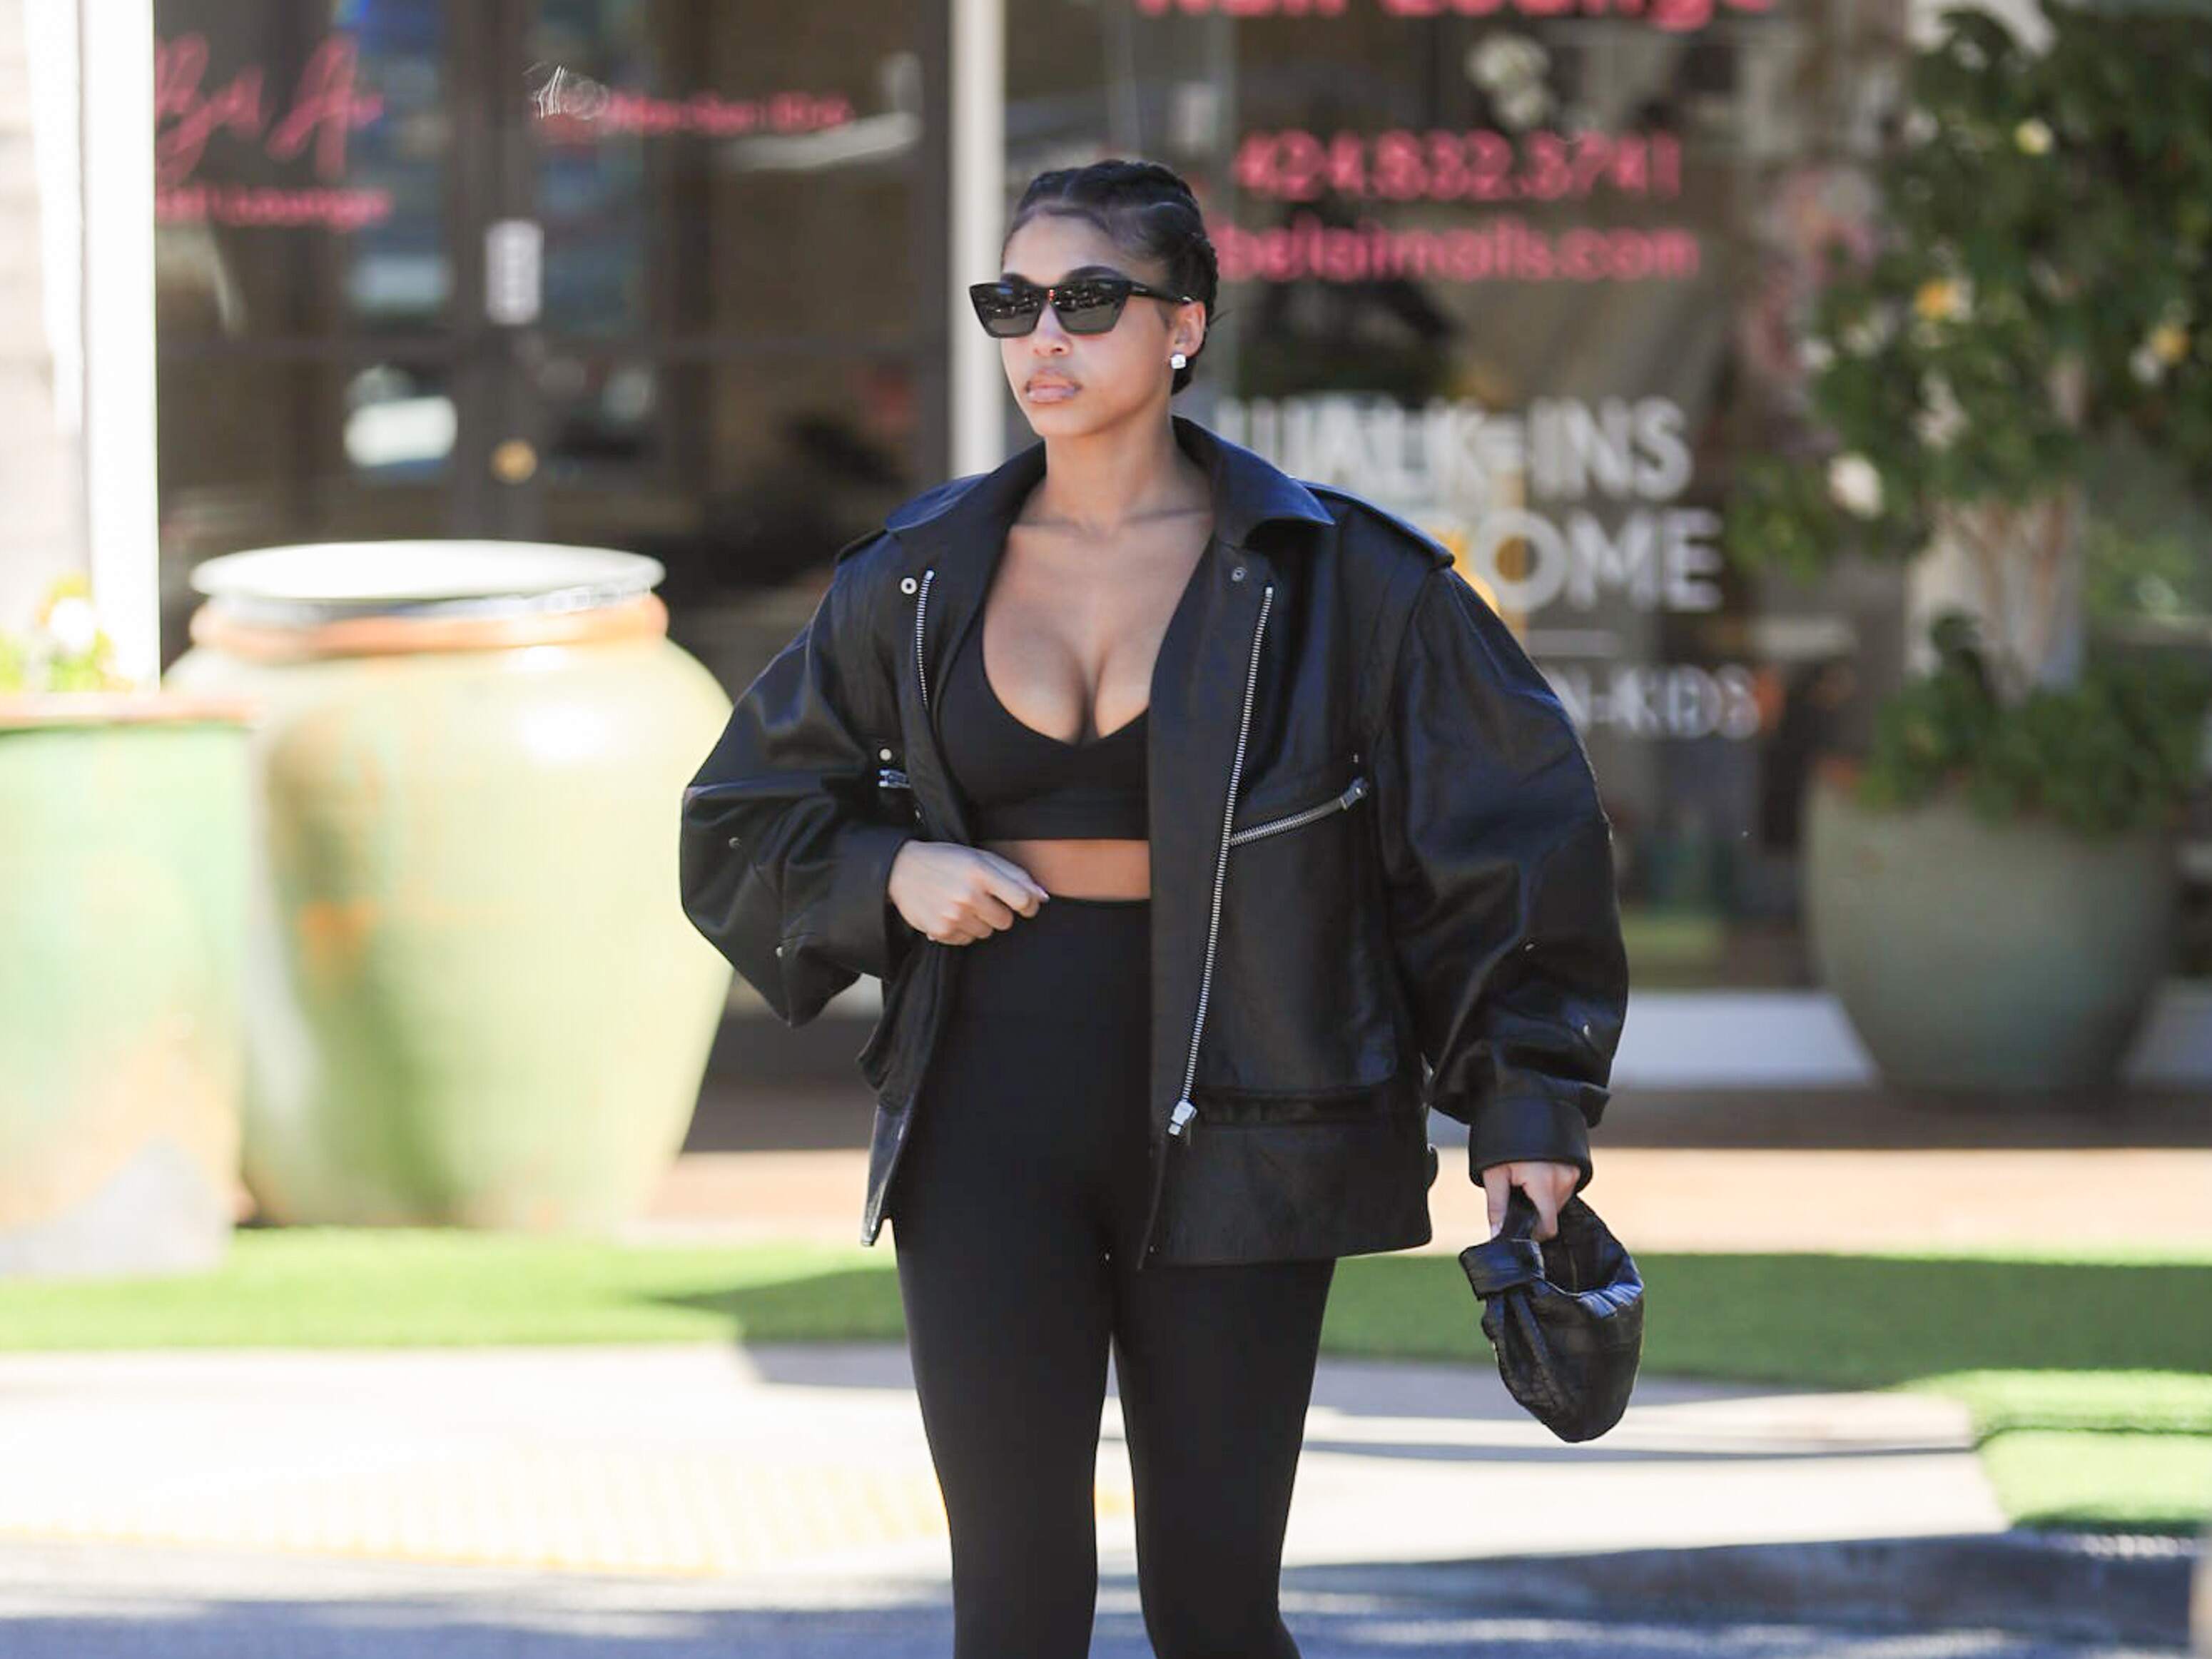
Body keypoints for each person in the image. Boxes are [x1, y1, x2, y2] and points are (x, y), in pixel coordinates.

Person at [679, 158, 1629, 1659]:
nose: (1039, 338)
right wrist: (889, 876)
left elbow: (1511, 842)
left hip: (1253, 1107)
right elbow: (739, 820)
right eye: (1011, 303)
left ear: (1182, 325)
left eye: (1084, 301)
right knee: (1009, 1609)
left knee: (1214, 1609)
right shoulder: (917, 576)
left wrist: (1525, 1109)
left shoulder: (1343, 577)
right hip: (984, 1107)